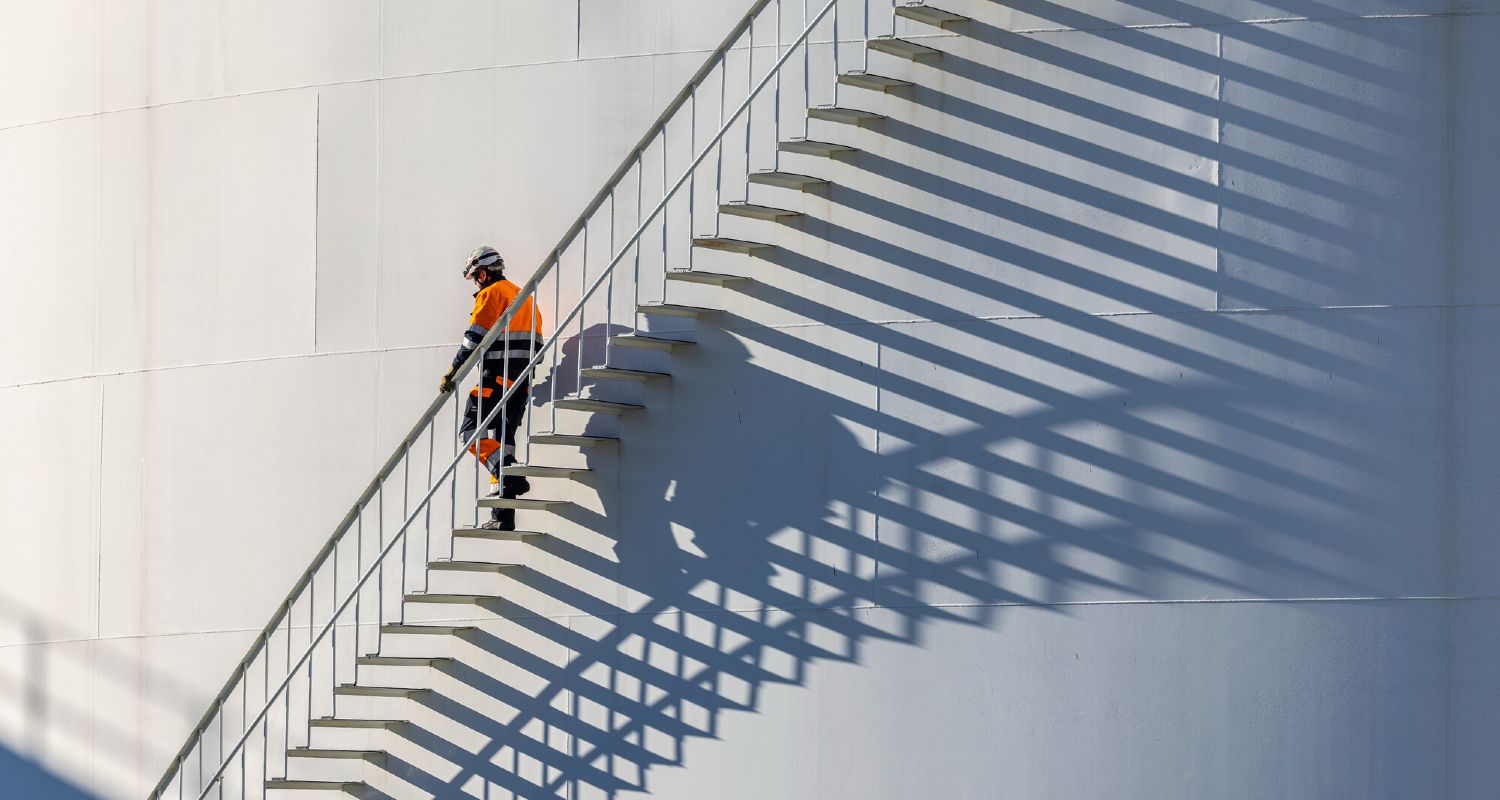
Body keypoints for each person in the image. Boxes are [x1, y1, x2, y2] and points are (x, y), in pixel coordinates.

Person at [439, 246, 545, 530]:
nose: (476, 283)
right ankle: (502, 515)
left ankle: (509, 475)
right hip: (520, 383)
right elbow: (539, 347)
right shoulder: (524, 296)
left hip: (496, 379)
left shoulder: (491, 294)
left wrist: (452, 371)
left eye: (475, 277)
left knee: (471, 431)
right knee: (502, 442)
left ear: (483, 273)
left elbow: (473, 338)